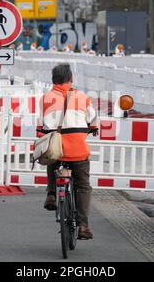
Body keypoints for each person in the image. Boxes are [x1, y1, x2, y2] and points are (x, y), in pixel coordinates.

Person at [38, 64, 98, 240]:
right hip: (78, 151)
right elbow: (93, 121)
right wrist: (92, 128)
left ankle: (51, 194)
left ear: (53, 80)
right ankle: (83, 226)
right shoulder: (82, 97)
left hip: (57, 152)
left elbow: (40, 125)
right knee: (83, 186)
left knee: (51, 156)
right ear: (70, 79)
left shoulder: (45, 98)